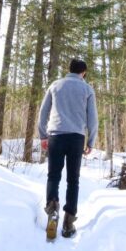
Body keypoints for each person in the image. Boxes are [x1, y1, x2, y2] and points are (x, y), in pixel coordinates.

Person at [38, 57, 98, 238]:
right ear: (83, 72)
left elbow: (43, 112)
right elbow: (92, 119)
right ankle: (68, 222)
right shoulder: (87, 89)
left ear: (69, 70)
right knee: (73, 180)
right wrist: (90, 142)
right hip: (76, 138)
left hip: (56, 136)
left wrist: (42, 135)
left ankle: (52, 210)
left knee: (53, 176)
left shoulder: (55, 85)